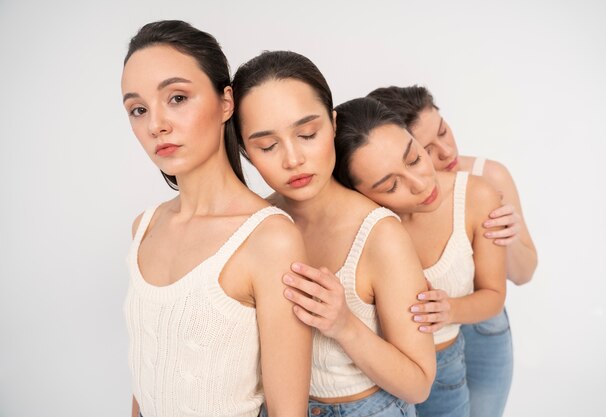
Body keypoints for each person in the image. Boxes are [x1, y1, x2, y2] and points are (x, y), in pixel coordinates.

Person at [121, 21, 311, 417]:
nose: (156, 124)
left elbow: (287, 411)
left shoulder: (269, 239)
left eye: (176, 98)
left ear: (226, 102)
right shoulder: (145, 227)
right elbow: (147, 379)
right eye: (138, 109)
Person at [232, 51, 436, 417]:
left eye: (308, 133)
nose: (293, 159)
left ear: (333, 123)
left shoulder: (379, 235)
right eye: (267, 146)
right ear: (246, 151)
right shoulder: (252, 227)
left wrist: (344, 325)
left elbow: (418, 384)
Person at [368, 85, 538, 417]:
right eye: (426, 149)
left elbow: (524, 274)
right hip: (420, 343)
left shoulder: (487, 177)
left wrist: (510, 234)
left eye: (444, 131)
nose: (447, 152)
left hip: (482, 328)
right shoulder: (386, 200)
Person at [332, 97, 507, 417]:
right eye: (391, 185)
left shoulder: (477, 195)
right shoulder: (364, 227)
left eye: (415, 158)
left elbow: (494, 296)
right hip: (379, 385)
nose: (420, 184)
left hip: (446, 367)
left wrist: (448, 309)